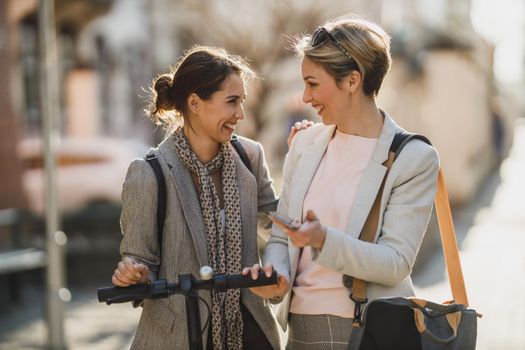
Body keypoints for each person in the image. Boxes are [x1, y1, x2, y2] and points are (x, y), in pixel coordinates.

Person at [244, 14, 440, 349]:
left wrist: (323, 240)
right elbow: (281, 238)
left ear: (352, 81)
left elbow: (395, 262)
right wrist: (276, 276)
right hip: (300, 333)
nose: (305, 98)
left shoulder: (414, 157)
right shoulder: (305, 145)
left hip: (369, 333)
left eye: (313, 83)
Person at [110, 45, 306, 350]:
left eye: (241, 102)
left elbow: (279, 225)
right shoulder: (149, 173)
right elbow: (140, 259)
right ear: (195, 103)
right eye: (231, 102)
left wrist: (304, 157)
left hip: (249, 329)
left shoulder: (249, 156)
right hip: (179, 334)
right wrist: (133, 271)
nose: (240, 114)